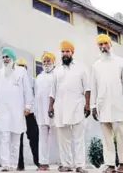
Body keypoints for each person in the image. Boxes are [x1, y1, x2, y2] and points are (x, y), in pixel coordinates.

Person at [91, 34, 123, 173]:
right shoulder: (96, 66)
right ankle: (110, 165)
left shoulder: (121, 62)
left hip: (118, 104)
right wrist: (93, 106)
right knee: (106, 137)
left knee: (122, 134)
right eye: (100, 45)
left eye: (105, 44)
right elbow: (94, 87)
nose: (103, 47)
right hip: (102, 105)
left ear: (110, 44)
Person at [48, 40, 90, 173]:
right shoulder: (57, 70)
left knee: (78, 138)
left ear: (72, 52)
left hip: (78, 106)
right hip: (60, 107)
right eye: (63, 51)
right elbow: (52, 90)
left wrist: (88, 105)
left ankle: (80, 165)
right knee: (63, 139)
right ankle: (66, 164)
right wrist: (50, 106)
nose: (65, 54)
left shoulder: (81, 67)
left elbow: (87, 88)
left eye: (67, 51)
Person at [0, 47, 33, 172]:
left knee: (15, 138)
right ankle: (5, 165)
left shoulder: (21, 71)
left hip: (17, 110)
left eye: (7, 57)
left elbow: (27, 90)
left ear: (12, 58)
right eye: (3, 57)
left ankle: (14, 165)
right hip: (2, 110)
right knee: (4, 137)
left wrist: (28, 106)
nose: (5, 59)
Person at [15, 58, 39, 171]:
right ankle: (20, 164)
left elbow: (36, 97)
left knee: (34, 137)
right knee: (17, 140)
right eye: (19, 66)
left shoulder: (32, 80)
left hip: (30, 113)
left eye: (23, 66)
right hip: (18, 114)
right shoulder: (13, 80)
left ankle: (38, 161)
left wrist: (33, 111)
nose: (21, 69)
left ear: (26, 68)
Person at [34, 52, 56, 171]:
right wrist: (36, 112)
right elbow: (36, 95)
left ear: (53, 62)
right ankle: (43, 163)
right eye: (44, 61)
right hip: (41, 113)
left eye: (49, 61)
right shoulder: (39, 77)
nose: (46, 63)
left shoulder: (56, 75)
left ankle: (63, 162)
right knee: (42, 139)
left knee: (59, 139)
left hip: (55, 113)